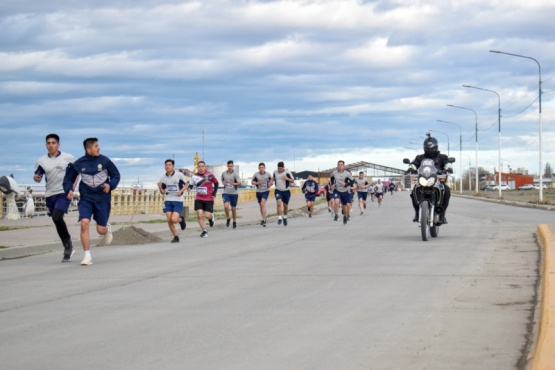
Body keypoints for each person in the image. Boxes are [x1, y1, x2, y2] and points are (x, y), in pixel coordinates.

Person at [63, 137, 120, 266]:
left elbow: (116, 175)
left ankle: (106, 229)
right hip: (86, 198)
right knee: (84, 222)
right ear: (88, 149)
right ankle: (87, 256)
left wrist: (110, 185)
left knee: (100, 230)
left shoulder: (105, 161)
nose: (98, 148)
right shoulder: (79, 163)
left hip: (102, 199)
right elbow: (68, 179)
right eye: (96, 146)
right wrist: (68, 190)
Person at [33, 133, 77, 262]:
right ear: (46, 145)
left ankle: (68, 245)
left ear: (58, 144)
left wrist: (72, 188)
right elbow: (37, 175)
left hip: (63, 192)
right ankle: (67, 245)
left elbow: (76, 172)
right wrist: (36, 178)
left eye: (53, 143)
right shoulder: (42, 161)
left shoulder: (68, 158)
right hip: (50, 194)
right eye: (48, 143)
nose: (51, 145)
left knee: (57, 216)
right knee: (56, 220)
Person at [407, 134, 453, 223]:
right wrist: (410, 168)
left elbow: (447, 163)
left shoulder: (442, 157)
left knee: (446, 190)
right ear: (424, 148)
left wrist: (449, 168)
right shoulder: (420, 157)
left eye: (431, 148)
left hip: (437, 180)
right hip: (423, 179)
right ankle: (417, 212)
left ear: (436, 147)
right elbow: (414, 164)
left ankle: (442, 215)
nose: (430, 150)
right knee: (414, 190)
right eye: (428, 148)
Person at [157, 159, 188, 243]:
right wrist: (160, 187)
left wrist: (181, 191)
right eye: (166, 165)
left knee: (174, 219)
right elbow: (163, 192)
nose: (167, 166)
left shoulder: (179, 175)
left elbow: (186, 184)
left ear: (173, 167)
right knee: (169, 219)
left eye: (169, 165)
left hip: (178, 200)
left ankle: (181, 220)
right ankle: (176, 236)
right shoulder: (163, 177)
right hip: (168, 200)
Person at [188, 161, 219, 238]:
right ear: (197, 167)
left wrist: (214, 193)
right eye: (199, 166)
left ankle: (211, 218)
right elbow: (191, 185)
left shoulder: (210, 175)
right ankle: (204, 230)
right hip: (199, 198)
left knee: (207, 215)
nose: (201, 168)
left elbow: (216, 183)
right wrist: (188, 188)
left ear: (205, 167)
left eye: (202, 166)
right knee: (199, 214)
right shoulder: (194, 176)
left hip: (208, 199)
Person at [330, 160, 354, 224]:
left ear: (343, 166)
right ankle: (336, 215)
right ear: (337, 166)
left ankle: (345, 216)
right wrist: (332, 184)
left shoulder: (347, 173)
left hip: (345, 191)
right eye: (339, 165)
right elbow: (332, 178)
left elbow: (352, 181)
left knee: (344, 206)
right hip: (337, 190)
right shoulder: (334, 173)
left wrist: (345, 184)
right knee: (336, 202)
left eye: (341, 165)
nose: (340, 166)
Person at [221, 160, 242, 229]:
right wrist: (223, 182)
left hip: (234, 193)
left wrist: (234, 183)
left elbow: (240, 183)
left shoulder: (235, 174)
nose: (230, 167)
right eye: (229, 166)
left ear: (233, 166)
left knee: (233, 209)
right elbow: (222, 179)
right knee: (226, 206)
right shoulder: (224, 173)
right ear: (227, 166)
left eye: (231, 166)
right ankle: (228, 218)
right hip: (226, 192)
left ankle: (234, 221)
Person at [273, 162, 295, 226]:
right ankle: (279, 218)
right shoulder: (275, 172)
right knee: (279, 203)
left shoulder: (287, 172)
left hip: (286, 191)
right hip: (278, 190)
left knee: (285, 206)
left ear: (283, 167)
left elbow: (293, 180)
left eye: (280, 168)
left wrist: (287, 178)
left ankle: (285, 217)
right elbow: (273, 178)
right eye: (278, 168)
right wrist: (271, 181)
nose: (279, 170)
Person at [251, 162, 273, 227]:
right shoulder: (256, 174)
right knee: (261, 206)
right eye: (260, 168)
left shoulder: (268, 174)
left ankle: (264, 220)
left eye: (262, 167)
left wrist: (270, 184)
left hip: (265, 191)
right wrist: (258, 183)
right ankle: (264, 218)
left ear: (265, 168)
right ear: (258, 168)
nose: (261, 169)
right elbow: (252, 182)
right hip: (258, 191)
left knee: (263, 204)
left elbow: (271, 181)